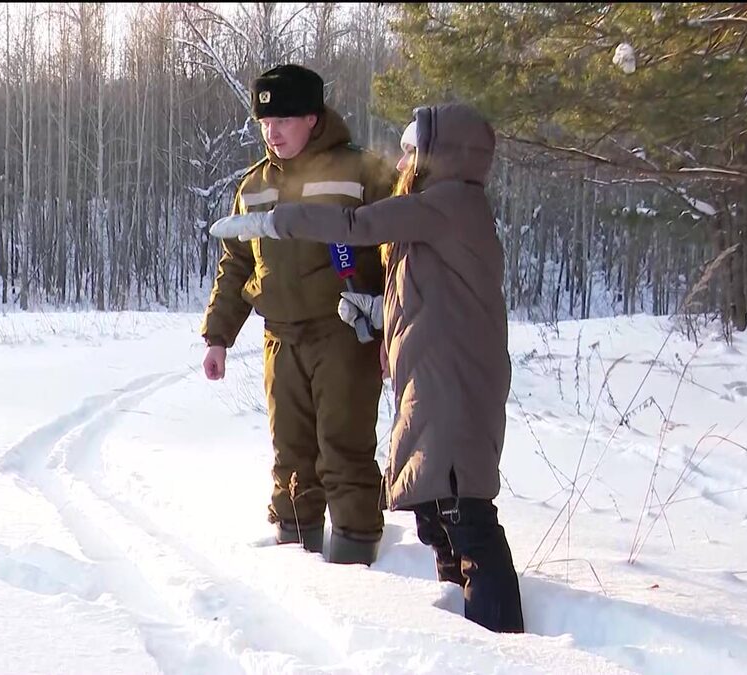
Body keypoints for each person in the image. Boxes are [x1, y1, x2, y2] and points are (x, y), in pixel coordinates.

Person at [208, 103, 525, 634]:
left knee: (464, 510)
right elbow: (422, 286)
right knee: (436, 507)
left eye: (410, 151)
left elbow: (355, 223)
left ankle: (502, 643)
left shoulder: (445, 202)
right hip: (433, 371)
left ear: (437, 155)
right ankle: (462, 626)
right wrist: (378, 311)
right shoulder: (435, 208)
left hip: (454, 375)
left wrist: (276, 221)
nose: (401, 161)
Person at [200, 64, 399, 565]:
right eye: (265, 122)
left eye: (284, 119)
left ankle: (356, 563)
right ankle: (296, 559)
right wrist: (218, 336)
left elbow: (400, 252)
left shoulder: (361, 172)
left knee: (343, 449)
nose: (273, 131)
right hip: (280, 340)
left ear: (312, 117)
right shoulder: (254, 186)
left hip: (344, 335)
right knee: (290, 458)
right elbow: (238, 262)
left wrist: (392, 326)